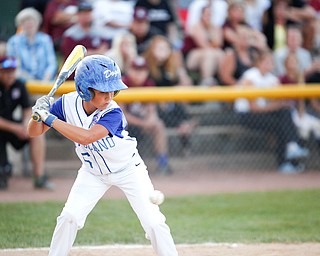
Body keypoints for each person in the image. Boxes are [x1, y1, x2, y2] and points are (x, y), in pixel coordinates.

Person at [27, 55, 178, 256]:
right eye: (103, 91)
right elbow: (34, 132)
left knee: (154, 222)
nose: (110, 96)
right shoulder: (66, 104)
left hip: (128, 170)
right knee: (69, 217)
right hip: (92, 173)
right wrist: (38, 114)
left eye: (112, 90)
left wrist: (50, 118)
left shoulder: (113, 113)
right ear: (84, 89)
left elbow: (86, 137)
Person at [234, 50, 310, 173]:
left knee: (285, 113)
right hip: (247, 114)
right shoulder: (250, 76)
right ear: (259, 63)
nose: (270, 65)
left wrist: (278, 104)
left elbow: (281, 102)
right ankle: (285, 162)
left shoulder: (272, 79)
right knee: (280, 124)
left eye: (271, 62)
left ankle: (292, 147)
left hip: (263, 112)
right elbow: (254, 107)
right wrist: (277, 104)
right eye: (267, 62)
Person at [0, 56, 53, 189]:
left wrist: (25, 124)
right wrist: (16, 128)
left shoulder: (19, 85)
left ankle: (39, 177)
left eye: (12, 71)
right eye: (6, 71)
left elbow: (27, 110)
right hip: (5, 128)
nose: (10, 75)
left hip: (12, 126)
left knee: (37, 132)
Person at [120, 56, 172, 174]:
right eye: (136, 70)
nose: (139, 74)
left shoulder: (149, 84)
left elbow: (152, 110)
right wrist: (143, 123)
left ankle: (162, 162)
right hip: (125, 124)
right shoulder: (122, 83)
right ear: (129, 70)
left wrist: (150, 121)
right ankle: (120, 167)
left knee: (158, 125)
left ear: (147, 72)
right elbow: (122, 115)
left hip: (142, 122)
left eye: (142, 71)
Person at [59, 1, 110, 79]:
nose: (87, 16)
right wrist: (96, 53)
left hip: (97, 73)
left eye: (89, 13)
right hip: (76, 75)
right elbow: (74, 58)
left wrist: (88, 53)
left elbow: (105, 51)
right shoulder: (70, 35)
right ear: (78, 15)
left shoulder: (98, 32)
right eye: (84, 13)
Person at [6, 7, 58, 82]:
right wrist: (30, 81)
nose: (29, 23)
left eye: (32, 20)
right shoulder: (13, 42)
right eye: (25, 21)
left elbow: (52, 64)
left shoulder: (46, 39)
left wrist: (46, 78)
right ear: (20, 24)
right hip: (24, 84)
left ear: (38, 23)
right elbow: (15, 67)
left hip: (46, 83)